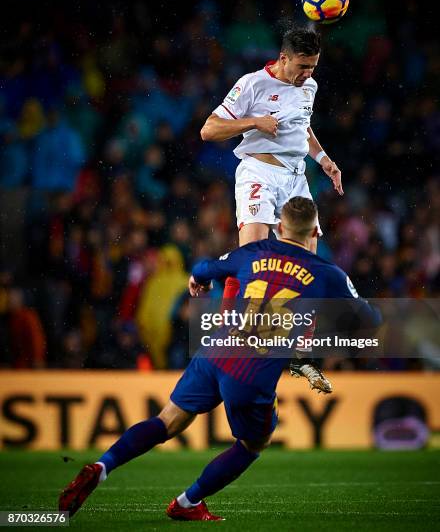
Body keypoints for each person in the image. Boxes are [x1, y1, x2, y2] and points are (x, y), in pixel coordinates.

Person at [59, 197, 380, 521]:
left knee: (167, 420)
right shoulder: (328, 274)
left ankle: (102, 466)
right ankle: (187, 502)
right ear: (315, 234)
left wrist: (199, 281)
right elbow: (370, 320)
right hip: (250, 371)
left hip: (215, 352)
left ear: (279, 227)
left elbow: (202, 268)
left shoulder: (254, 253)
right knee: (254, 443)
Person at [201, 25, 342, 391]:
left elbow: (302, 127)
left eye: (313, 66)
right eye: (302, 65)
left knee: (308, 265)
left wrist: (324, 159)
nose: (308, 73)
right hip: (260, 172)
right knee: (251, 253)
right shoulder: (251, 85)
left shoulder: (308, 86)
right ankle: (229, 333)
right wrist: (254, 122)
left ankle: (301, 355)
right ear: (283, 59)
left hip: (297, 179)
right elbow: (209, 129)